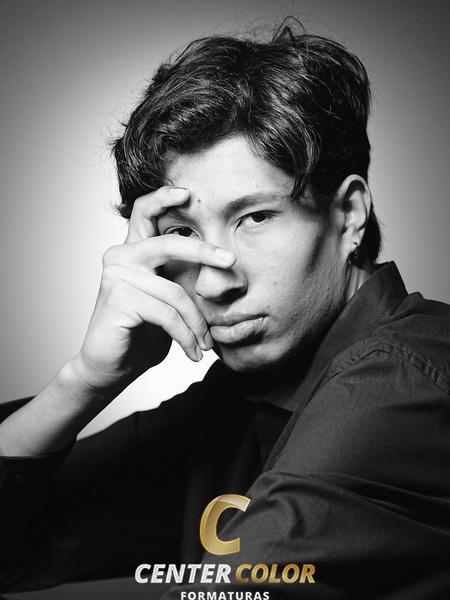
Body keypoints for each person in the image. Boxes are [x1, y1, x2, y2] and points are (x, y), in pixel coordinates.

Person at [1, 20, 449, 599]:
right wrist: (83, 381)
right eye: (182, 232)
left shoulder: (408, 383)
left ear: (349, 215)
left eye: (255, 217)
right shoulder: (235, 405)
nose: (213, 281)